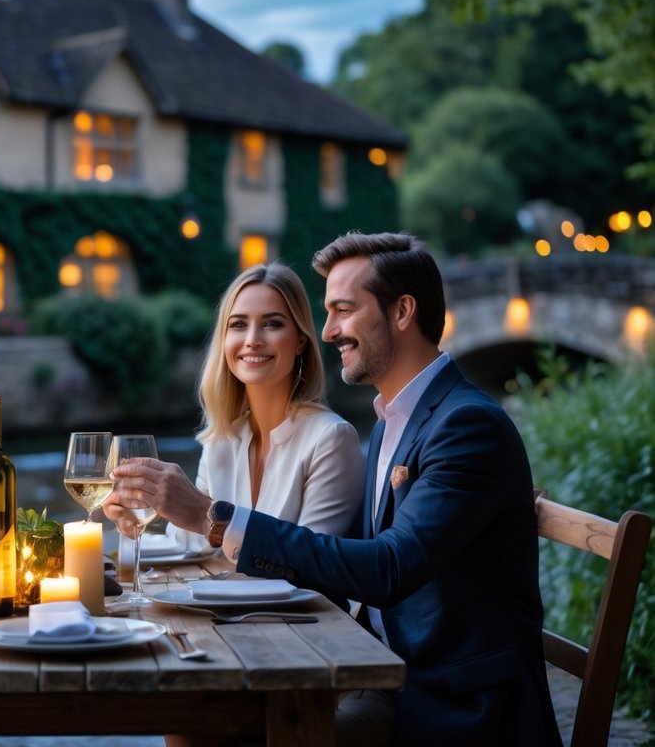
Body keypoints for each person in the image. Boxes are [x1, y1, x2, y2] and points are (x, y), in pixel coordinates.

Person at [111, 232, 561, 746]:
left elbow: (387, 568)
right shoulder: (394, 422)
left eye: (343, 311)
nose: (327, 332)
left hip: (449, 702)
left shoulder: (465, 426)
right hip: (377, 673)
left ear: (402, 312)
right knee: (193, 726)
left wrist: (216, 517)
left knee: (216, 732)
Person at [130, 262, 364, 557]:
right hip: (218, 603)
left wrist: (210, 516)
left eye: (272, 323)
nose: (252, 339)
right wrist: (139, 518)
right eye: (239, 324)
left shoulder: (331, 439)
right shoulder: (221, 439)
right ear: (224, 340)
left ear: (300, 342)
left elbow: (311, 562)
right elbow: (193, 542)